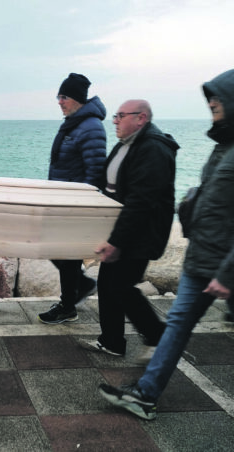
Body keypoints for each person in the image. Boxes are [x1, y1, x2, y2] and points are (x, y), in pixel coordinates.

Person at [98, 69, 234, 420]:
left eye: (217, 98)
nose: (211, 103)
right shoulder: (223, 146)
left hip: (218, 262)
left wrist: (227, 273)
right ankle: (145, 393)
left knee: (157, 312)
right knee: (176, 325)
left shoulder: (154, 147)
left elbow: (144, 198)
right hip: (202, 256)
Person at [79, 99, 179, 356]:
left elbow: (141, 201)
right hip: (123, 229)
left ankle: (159, 337)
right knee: (108, 284)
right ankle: (112, 341)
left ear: (141, 118)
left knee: (121, 286)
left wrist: (116, 242)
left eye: (121, 116)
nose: (114, 120)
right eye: (115, 115)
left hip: (140, 233)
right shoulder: (128, 143)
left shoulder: (153, 149)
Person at [38, 73, 106, 324]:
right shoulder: (75, 123)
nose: (59, 101)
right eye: (58, 96)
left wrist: (84, 206)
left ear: (77, 98)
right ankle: (76, 294)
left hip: (75, 205)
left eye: (63, 97)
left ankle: (69, 303)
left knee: (65, 254)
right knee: (61, 253)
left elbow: (95, 171)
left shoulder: (90, 127)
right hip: (63, 200)